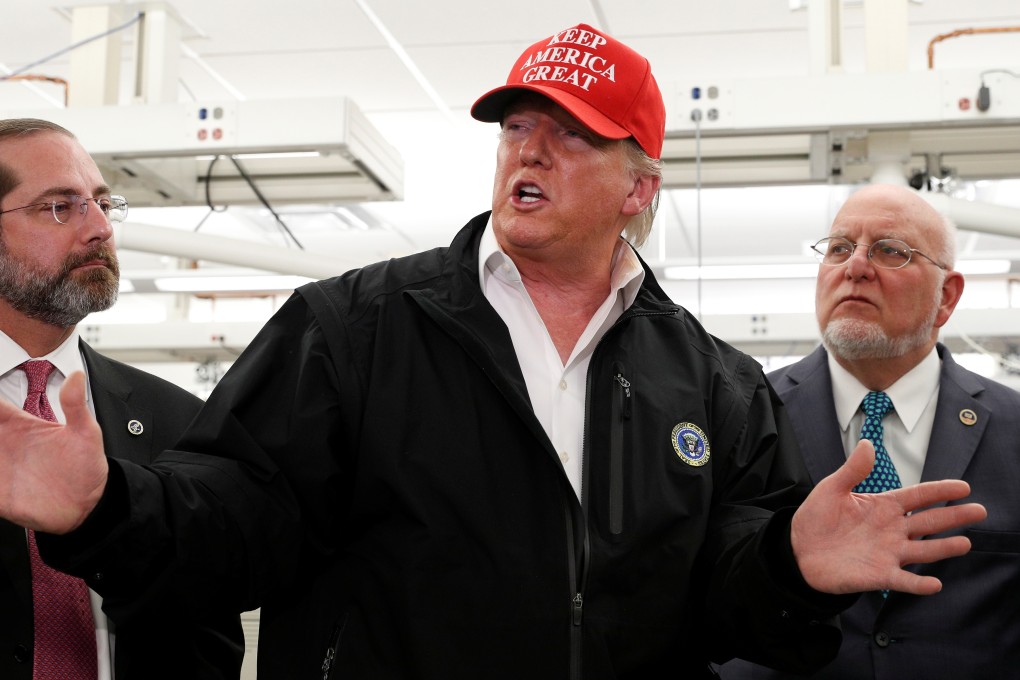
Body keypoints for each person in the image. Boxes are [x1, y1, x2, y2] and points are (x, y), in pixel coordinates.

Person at [0, 26, 986, 680]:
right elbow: (233, 524)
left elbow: (726, 601)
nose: (531, 150)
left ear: (638, 188)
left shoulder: (712, 381)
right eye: (519, 126)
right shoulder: (353, 329)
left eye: (571, 134)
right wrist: (107, 509)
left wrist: (788, 564)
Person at [720, 184, 1020, 679]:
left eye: (890, 251)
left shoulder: (1012, 430)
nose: (854, 267)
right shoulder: (739, 417)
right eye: (839, 248)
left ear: (947, 297)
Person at [0, 118, 243, 680]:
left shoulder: (179, 420)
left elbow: (206, 630)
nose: (100, 229)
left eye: (103, 204)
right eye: (60, 207)